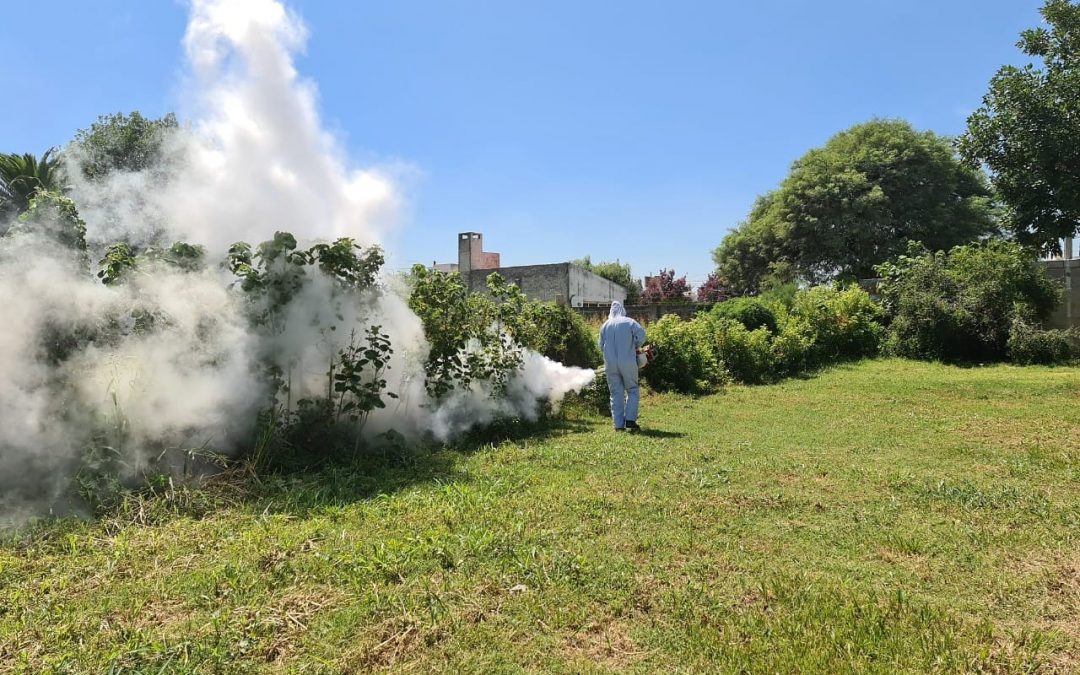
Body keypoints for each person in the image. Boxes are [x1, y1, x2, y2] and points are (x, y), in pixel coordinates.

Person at [599, 300, 646, 432]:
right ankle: (630, 420)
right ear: (622, 310)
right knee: (632, 389)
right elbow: (642, 336)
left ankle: (619, 425)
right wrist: (635, 345)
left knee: (615, 393)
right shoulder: (629, 322)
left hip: (610, 364)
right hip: (628, 361)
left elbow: (600, 346)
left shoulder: (604, 326)